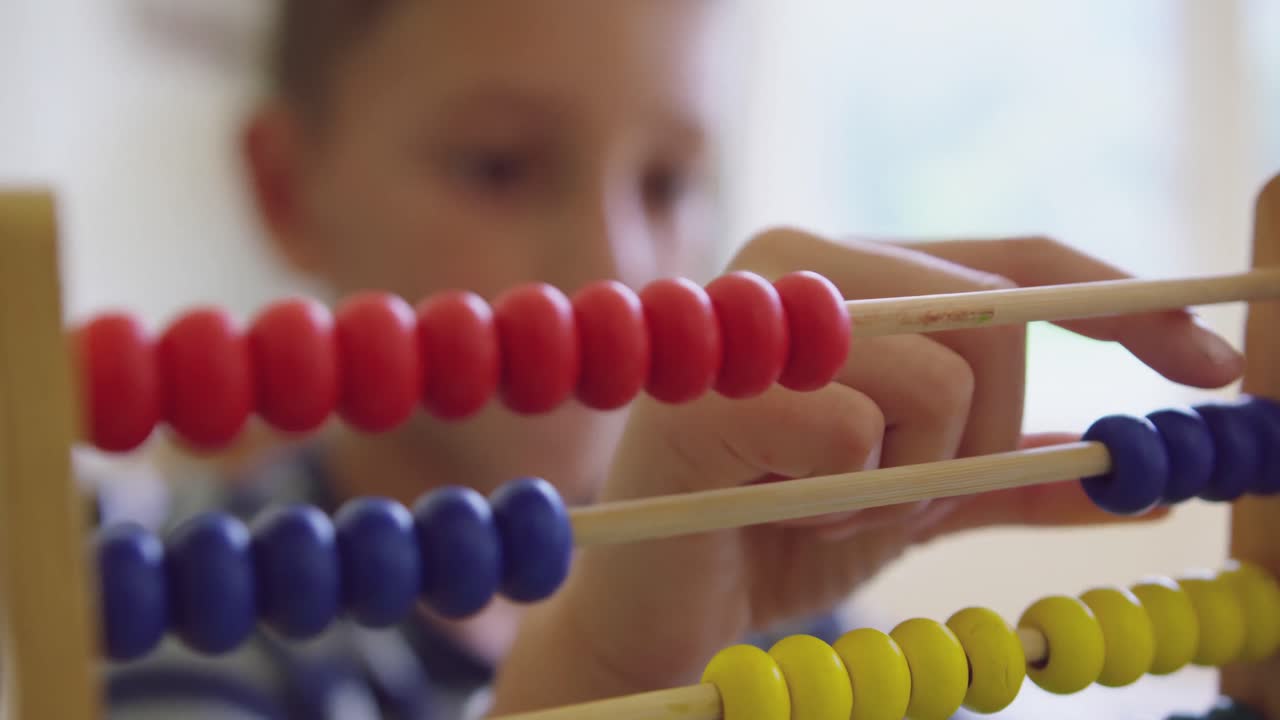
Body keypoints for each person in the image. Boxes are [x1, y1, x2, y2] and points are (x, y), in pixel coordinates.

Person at [99, 1, 1271, 718]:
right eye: (499, 166)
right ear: (285, 187)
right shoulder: (171, 626)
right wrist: (600, 670)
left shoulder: (764, 618)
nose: (615, 258)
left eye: (666, 184)